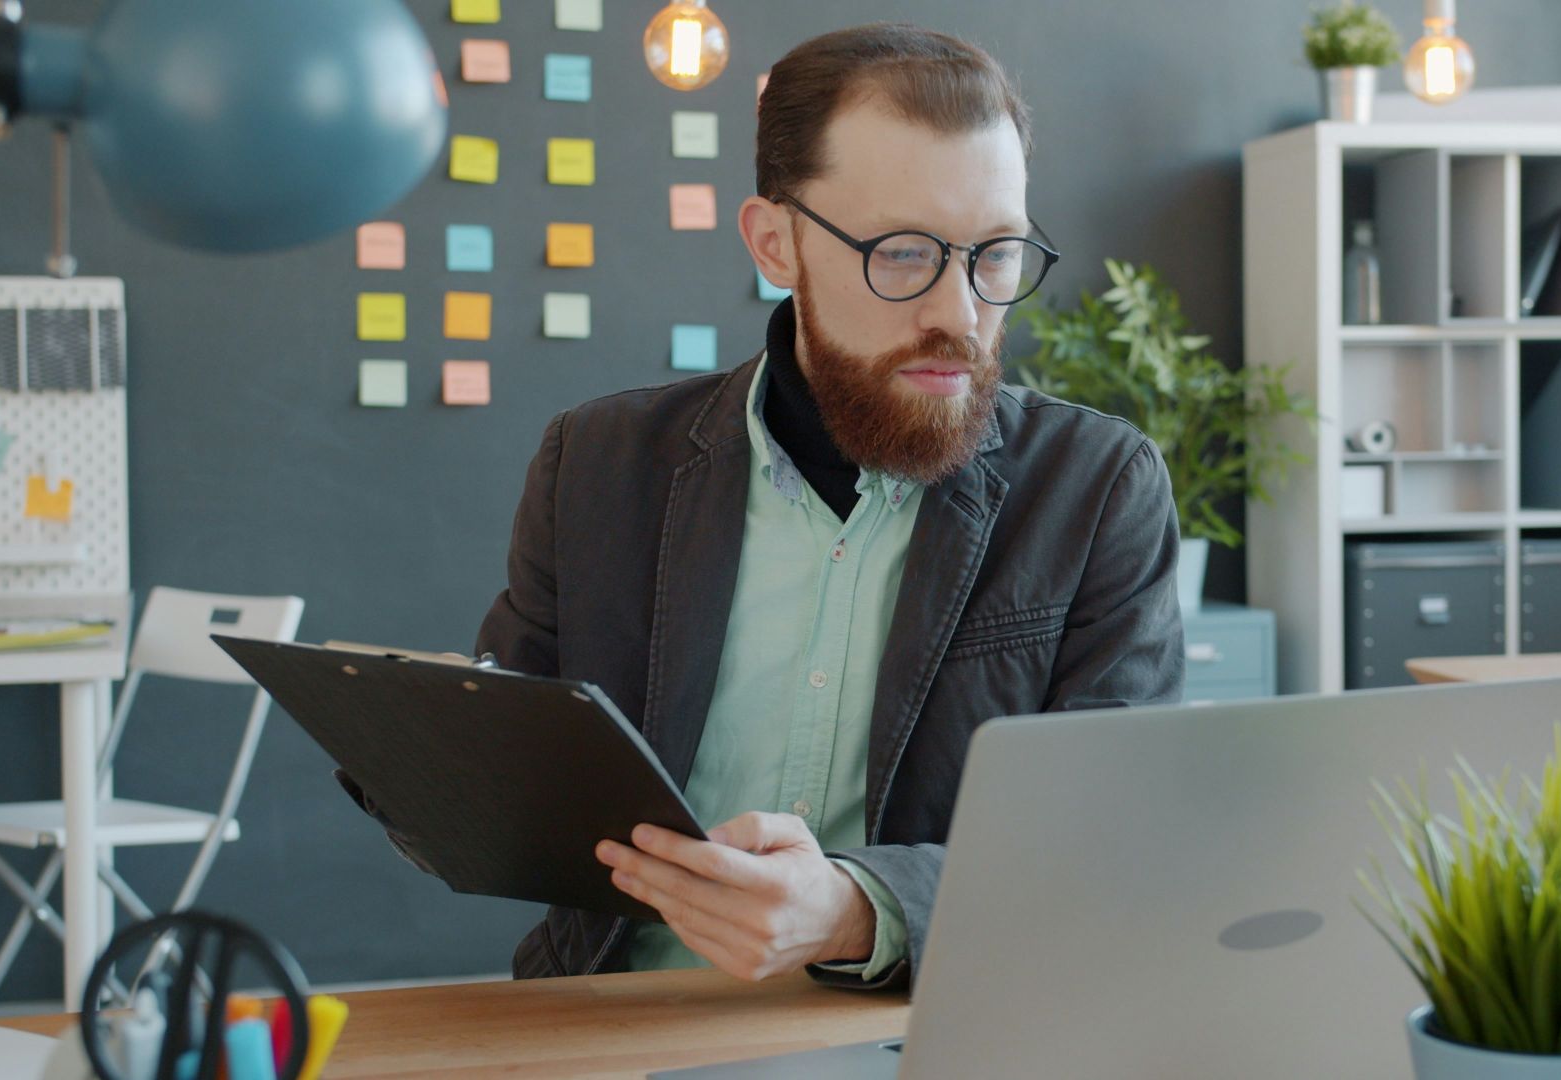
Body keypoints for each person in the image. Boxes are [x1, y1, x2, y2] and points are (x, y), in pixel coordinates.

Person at [481, 23, 1184, 991]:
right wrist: (418, 740)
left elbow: (1122, 835)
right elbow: (507, 784)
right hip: (619, 1013)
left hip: (927, 1026)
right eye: (902, 253)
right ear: (777, 241)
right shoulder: (597, 462)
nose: (961, 312)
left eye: (996, 254)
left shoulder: (1097, 484)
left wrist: (859, 911)